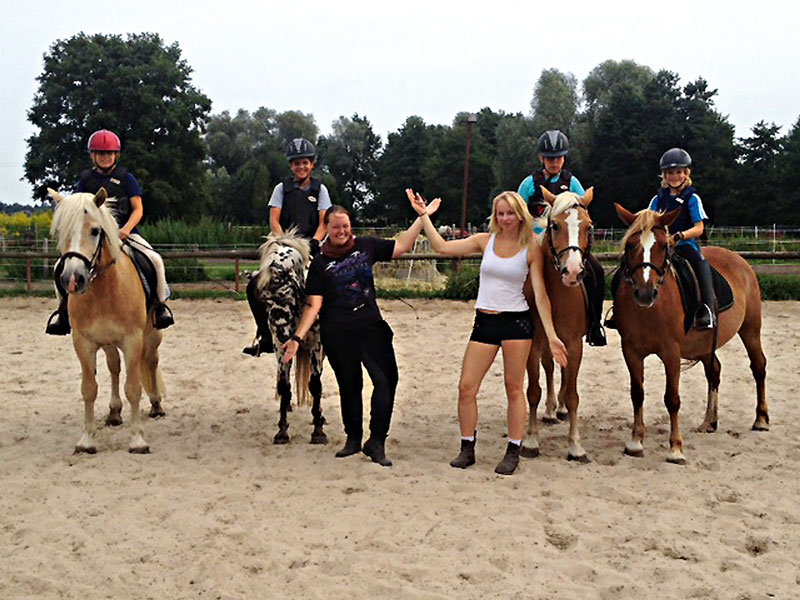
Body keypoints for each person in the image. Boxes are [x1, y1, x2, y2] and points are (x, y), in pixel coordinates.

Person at [410, 189, 568, 476]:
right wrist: (423, 216)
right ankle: (467, 446)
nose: (505, 218)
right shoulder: (486, 241)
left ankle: (513, 448)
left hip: (516, 323)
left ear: (520, 214)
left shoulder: (531, 247)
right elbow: (443, 247)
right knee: (466, 387)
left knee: (513, 388)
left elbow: (542, 296)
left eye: (510, 213)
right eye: (500, 213)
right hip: (485, 320)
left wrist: (553, 336)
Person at [281, 200, 440, 467]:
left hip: (370, 327)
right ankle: (353, 438)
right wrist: (297, 339)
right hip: (338, 332)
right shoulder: (319, 263)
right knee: (349, 386)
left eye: (345, 225)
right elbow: (313, 304)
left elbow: (401, 247)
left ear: (350, 225)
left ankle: (376, 441)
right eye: (335, 227)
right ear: (327, 228)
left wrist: (422, 217)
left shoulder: (366, 245)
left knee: (386, 381)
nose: (341, 231)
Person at [45, 129, 174, 335]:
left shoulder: (126, 179)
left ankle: (159, 307)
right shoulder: (86, 180)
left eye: (109, 153)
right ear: (92, 156)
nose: (105, 157)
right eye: (100, 153)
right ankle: (62, 312)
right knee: (60, 266)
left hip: (126, 234)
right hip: (93, 238)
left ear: (116, 155)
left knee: (155, 260)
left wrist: (126, 230)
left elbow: (138, 209)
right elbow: (78, 209)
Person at [242, 138, 331, 356]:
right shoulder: (281, 189)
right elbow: (274, 220)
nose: (301, 167)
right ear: (291, 166)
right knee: (255, 286)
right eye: (296, 163)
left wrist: (315, 241)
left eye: (305, 163)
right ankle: (264, 335)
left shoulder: (320, 189)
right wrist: (284, 243)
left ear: (311, 164)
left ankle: (333, 329)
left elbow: (324, 221)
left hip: (312, 245)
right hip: (285, 246)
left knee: (334, 282)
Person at [517, 130, 607, 347]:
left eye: (558, 157)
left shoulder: (572, 182)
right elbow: (518, 215)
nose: (554, 162)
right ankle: (510, 317)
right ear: (542, 159)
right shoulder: (529, 184)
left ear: (563, 158)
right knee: (514, 272)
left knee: (597, 271)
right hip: (535, 243)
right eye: (549, 158)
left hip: (566, 244)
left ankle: (595, 323)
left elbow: (582, 214)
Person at [649, 148, 716, 329]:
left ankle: (707, 310)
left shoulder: (692, 198)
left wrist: (679, 236)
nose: (674, 176)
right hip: (661, 246)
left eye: (678, 172)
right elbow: (649, 222)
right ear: (664, 175)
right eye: (670, 173)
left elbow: (699, 228)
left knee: (700, 263)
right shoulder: (657, 199)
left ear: (686, 173)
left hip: (684, 246)